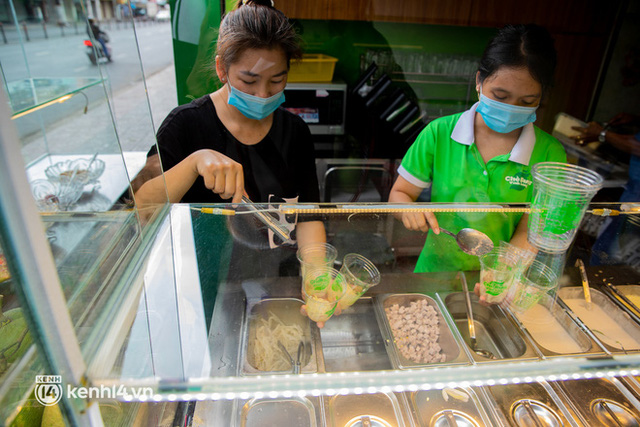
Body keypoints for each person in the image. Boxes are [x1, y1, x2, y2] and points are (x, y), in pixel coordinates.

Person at [133, 0, 327, 318]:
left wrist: (316, 272)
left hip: (277, 281)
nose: (263, 94)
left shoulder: (295, 131)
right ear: (222, 68)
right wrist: (194, 162)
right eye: (249, 81)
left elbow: (308, 216)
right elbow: (142, 208)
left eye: (276, 81)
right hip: (205, 286)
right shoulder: (184, 126)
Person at [388, 24, 567, 273]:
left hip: (501, 278)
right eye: (500, 96)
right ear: (479, 81)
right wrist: (409, 211)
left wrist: (501, 274)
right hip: (434, 275)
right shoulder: (440, 133)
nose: (511, 108)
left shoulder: (549, 154)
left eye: (527, 101)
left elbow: (530, 229)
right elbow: (399, 194)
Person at [572, 113, 640, 266]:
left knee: (614, 252)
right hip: (634, 187)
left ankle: (604, 283)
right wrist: (636, 118)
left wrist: (602, 134)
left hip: (637, 195)